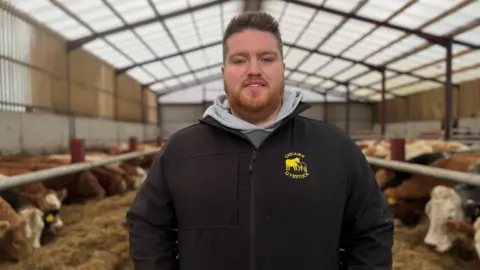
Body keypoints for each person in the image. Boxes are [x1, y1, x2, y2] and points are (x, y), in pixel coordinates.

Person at [126, 11, 394, 270]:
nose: (253, 70)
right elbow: (147, 225)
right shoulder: (180, 150)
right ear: (223, 72)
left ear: (283, 69)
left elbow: (371, 230)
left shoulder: (335, 148)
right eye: (239, 60)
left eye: (266, 59)